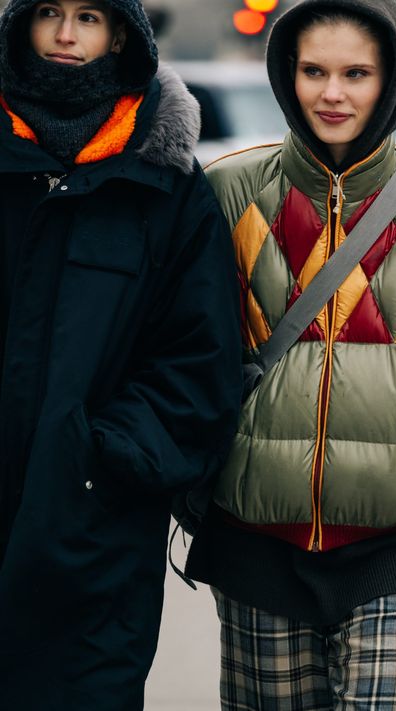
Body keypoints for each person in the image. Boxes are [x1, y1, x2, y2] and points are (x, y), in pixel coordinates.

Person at [185, 0, 396, 708]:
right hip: (257, 545)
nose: (333, 93)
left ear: (392, 78)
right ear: (287, 72)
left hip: (392, 542)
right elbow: (184, 350)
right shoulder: (228, 192)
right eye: (314, 70)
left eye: (357, 72)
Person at [0, 1, 242, 708]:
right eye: (48, 11)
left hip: (92, 553)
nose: (67, 35)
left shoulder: (165, 183)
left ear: (122, 35)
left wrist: (96, 463)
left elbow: (199, 367)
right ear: (20, 26)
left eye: (90, 16)